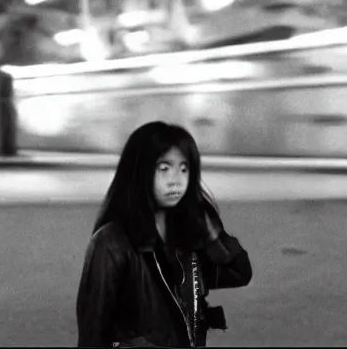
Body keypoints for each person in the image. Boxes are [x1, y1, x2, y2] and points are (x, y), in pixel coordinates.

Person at [76, 121, 253, 348]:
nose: (176, 180)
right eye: (164, 168)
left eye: (184, 169)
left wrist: (212, 234)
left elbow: (239, 273)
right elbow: (93, 330)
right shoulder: (111, 242)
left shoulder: (188, 236)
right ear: (139, 171)